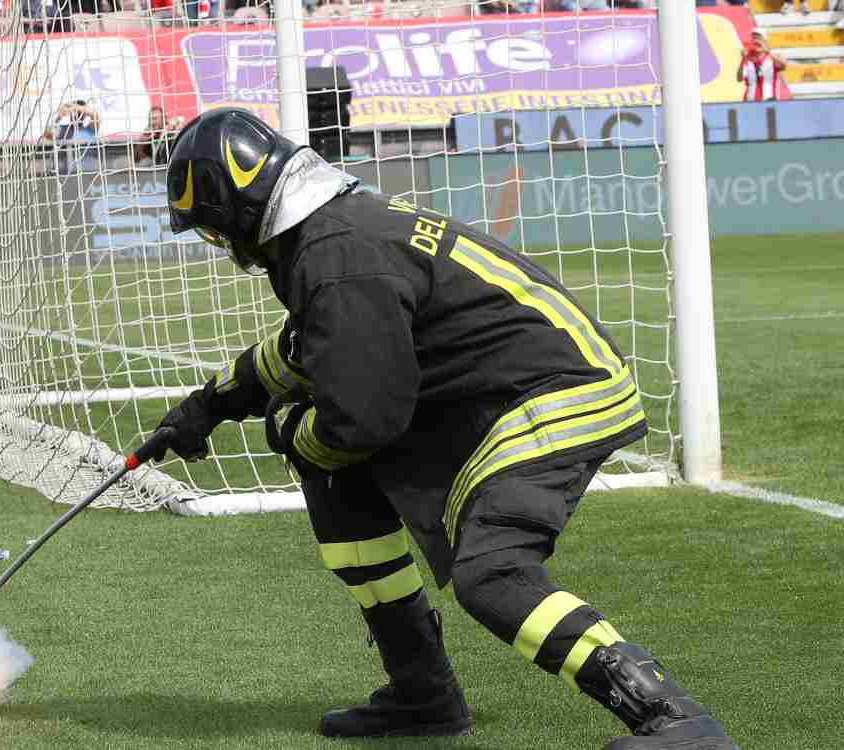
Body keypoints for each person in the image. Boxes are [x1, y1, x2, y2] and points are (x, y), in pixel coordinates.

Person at [152, 107, 738, 749]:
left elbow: (367, 418)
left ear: (236, 208)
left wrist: (298, 436)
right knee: (334, 473)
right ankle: (422, 693)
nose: (221, 245)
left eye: (212, 229)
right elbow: (307, 350)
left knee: (492, 574)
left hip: (557, 395)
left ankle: (676, 722)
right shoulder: (330, 236)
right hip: (501, 393)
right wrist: (206, 407)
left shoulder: (335, 254)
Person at [42, 100, 100, 175]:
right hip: (66, 175)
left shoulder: (90, 129)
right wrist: (59, 117)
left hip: (88, 173)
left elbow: (95, 115)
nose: (76, 115)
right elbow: (46, 133)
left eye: (79, 112)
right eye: (74, 113)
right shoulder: (65, 129)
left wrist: (74, 108)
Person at [737, 29, 788, 102]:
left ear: (765, 40)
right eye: (753, 38)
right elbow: (739, 78)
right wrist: (743, 59)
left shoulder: (772, 57)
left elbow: (783, 65)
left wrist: (766, 50)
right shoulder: (748, 58)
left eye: (758, 38)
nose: (756, 40)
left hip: (770, 102)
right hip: (750, 101)